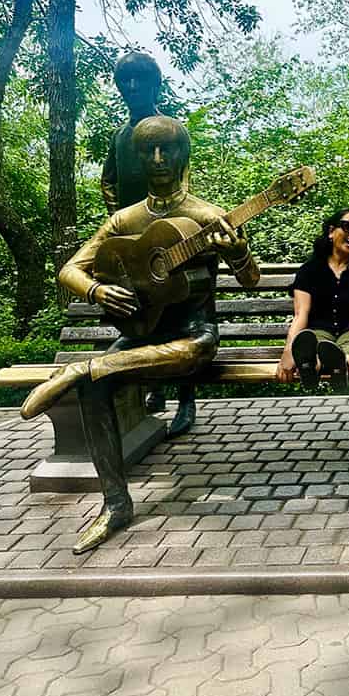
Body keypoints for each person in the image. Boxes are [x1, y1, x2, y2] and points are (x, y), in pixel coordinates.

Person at [21, 116, 260, 553]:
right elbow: (69, 269)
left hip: (191, 337)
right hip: (140, 335)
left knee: (193, 349)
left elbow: (251, 281)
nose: (157, 159)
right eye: (148, 151)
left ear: (182, 154)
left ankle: (82, 368)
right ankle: (115, 504)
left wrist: (238, 250)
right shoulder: (124, 220)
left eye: (166, 148)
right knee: (95, 390)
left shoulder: (207, 216)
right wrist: (96, 289)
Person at [100, 51, 196, 438]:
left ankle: (186, 398)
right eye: (126, 81)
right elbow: (108, 180)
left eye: (140, 80)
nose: (133, 88)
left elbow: (185, 180)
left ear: (156, 84)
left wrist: (165, 221)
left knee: (181, 312)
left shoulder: (171, 129)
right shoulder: (120, 136)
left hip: (170, 237)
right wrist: (120, 219)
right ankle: (150, 389)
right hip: (130, 243)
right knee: (141, 314)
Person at [275, 209, 349, 390]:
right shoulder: (310, 270)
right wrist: (288, 351)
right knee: (314, 343)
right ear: (331, 231)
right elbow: (301, 313)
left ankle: (342, 367)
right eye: (348, 227)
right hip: (320, 329)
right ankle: (310, 366)